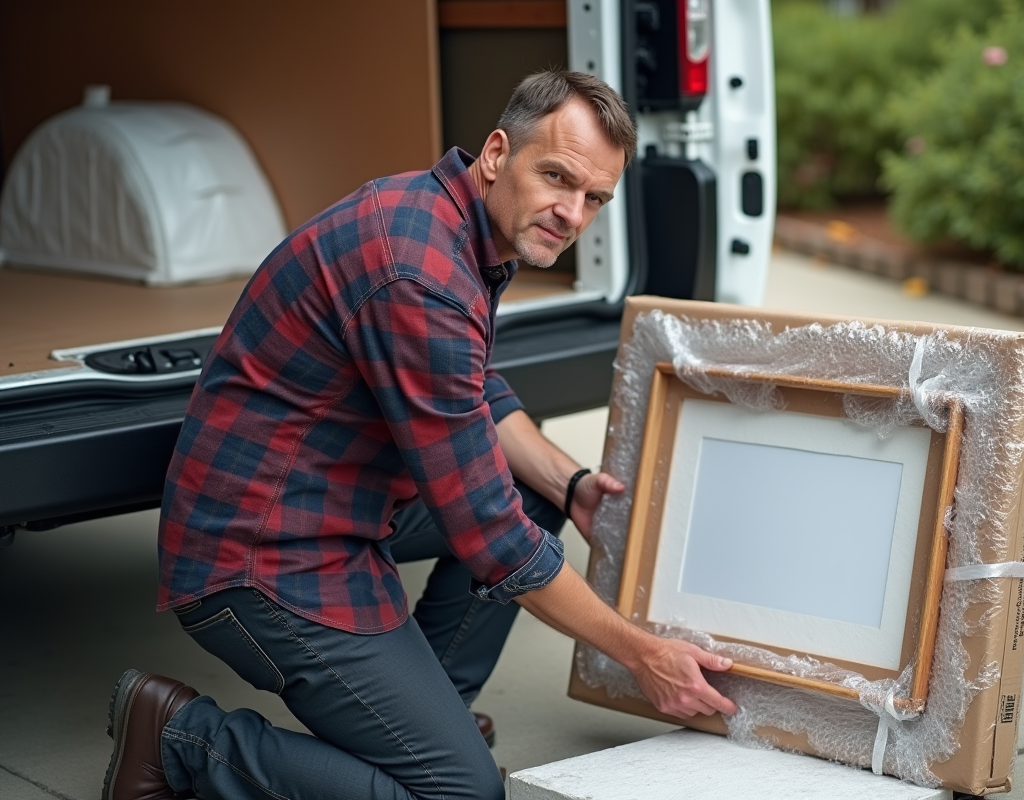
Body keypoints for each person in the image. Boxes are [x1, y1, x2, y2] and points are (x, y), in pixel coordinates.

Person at [102, 70, 735, 800]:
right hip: (260, 557)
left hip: (328, 500)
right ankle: (179, 738)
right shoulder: (420, 273)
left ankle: (426, 719)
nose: (571, 213)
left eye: (594, 198)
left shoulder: (451, 218)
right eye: (556, 177)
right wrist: (640, 652)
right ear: (498, 153)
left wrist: (569, 484)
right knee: (462, 794)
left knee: (534, 498)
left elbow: (471, 394)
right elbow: (490, 537)